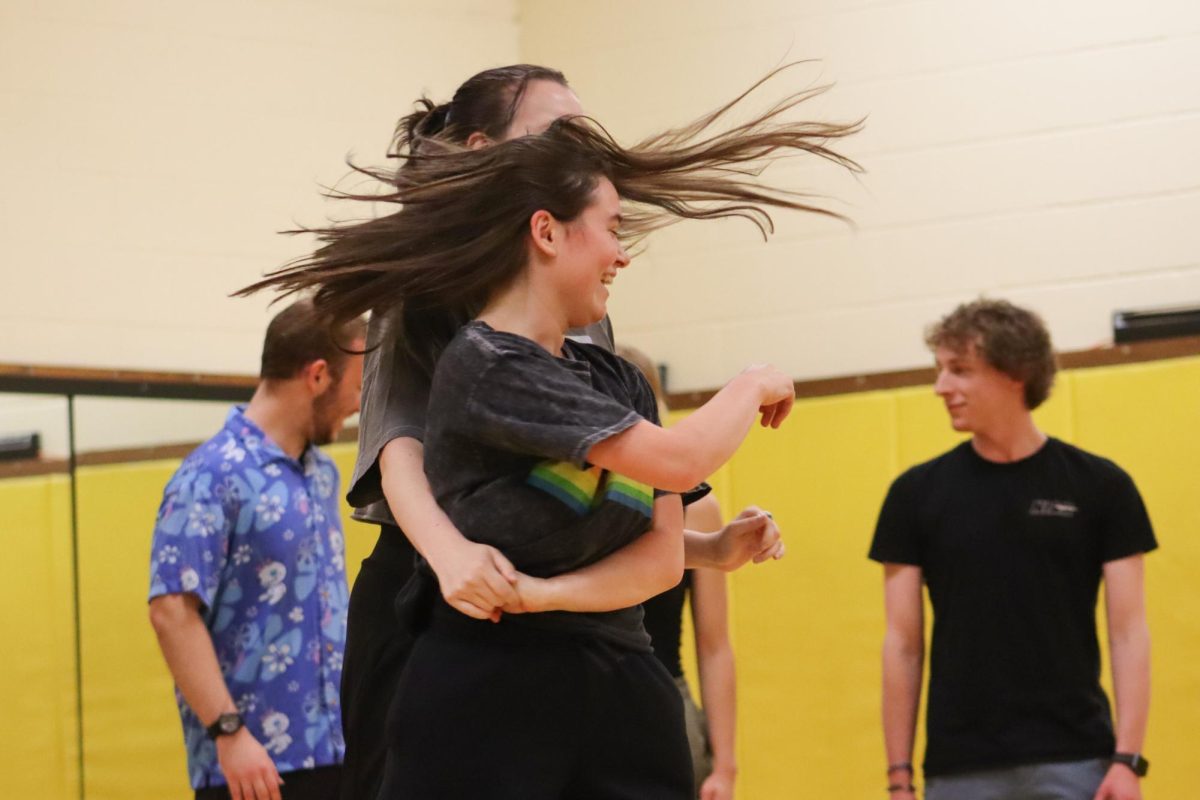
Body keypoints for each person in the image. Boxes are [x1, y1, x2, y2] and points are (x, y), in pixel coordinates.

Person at [240, 68, 859, 797]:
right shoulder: (450, 322)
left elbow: (611, 492)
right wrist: (453, 557)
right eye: (559, 129)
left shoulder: (594, 331)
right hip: (444, 593)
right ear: (485, 151)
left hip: (575, 624)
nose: (585, 145)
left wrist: (696, 550)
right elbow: (401, 448)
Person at [868, 299, 1156, 800]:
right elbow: (902, 645)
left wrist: (1127, 760)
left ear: (1015, 373)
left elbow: (1129, 632)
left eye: (960, 370)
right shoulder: (914, 495)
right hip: (959, 768)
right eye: (940, 370)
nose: (941, 387)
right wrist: (898, 777)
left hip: (1080, 760)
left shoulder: (1102, 486)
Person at [147, 299, 366, 800]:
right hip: (253, 768)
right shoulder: (210, 475)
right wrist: (229, 733)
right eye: (355, 387)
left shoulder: (321, 474)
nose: (357, 405)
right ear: (317, 376)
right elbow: (171, 612)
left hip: (336, 756)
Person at [622, 344, 739, 800]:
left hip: (663, 694)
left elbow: (715, 643)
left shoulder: (695, 504)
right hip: (587, 694)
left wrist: (725, 765)